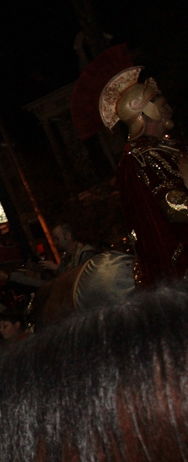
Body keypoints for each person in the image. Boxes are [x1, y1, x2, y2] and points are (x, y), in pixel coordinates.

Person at [71, 45, 188, 286]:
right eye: (161, 105)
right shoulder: (144, 155)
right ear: (143, 111)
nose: (169, 110)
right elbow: (174, 203)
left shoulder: (166, 147)